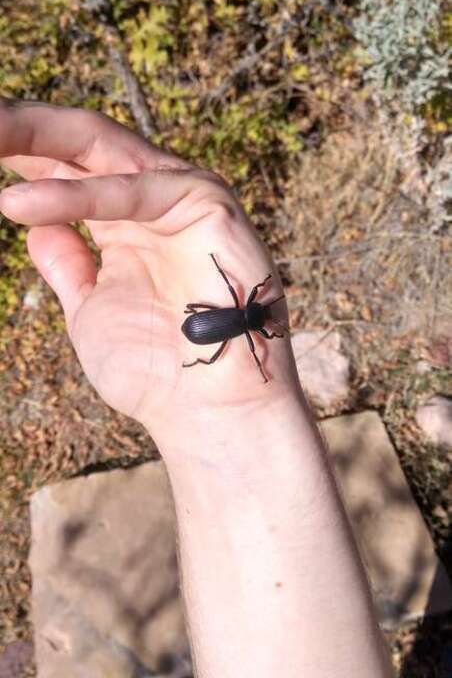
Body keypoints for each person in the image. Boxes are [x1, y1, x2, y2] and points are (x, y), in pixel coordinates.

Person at [0, 99, 394, 677]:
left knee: (227, 333)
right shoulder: (250, 322)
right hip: (204, 328)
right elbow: (246, 312)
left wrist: (248, 408)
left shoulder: (246, 318)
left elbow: (242, 308)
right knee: (230, 334)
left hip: (204, 328)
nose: (264, 317)